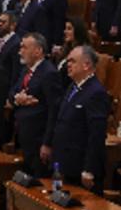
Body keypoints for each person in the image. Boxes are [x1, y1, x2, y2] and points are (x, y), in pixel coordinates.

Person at [43, 45, 111, 189]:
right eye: (68, 61)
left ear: (86, 65)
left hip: (79, 167)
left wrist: (90, 168)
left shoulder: (96, 93)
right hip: (63, 162)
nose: (68, 65)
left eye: (72, 61)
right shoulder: (73, 87)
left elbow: (96, 135)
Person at [10, 34, 61, 177]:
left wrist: (47, 143)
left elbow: (54, 110)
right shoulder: (26, 70)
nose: (20, 51)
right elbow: (12, 91)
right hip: (24, 135)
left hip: (38, 138)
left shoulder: (49, 73)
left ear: (38, 51)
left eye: (24, 47)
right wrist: (17, 98)